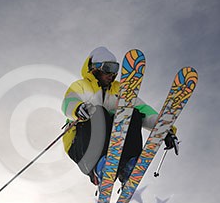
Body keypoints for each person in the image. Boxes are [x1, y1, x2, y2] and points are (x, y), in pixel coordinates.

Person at [61, 46, 177, 185]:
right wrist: (78, 108)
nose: (112, 74)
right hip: (81, 145)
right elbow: (69, 101)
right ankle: (99, 166)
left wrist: (165, 129)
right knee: (97, 112)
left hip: (109, 143)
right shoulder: (81, 85)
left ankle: (127, 167)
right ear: (95, 68)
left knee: (132, 113)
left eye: (115, 69)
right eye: (108, 68)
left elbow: (144, 110)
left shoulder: (119, 90)